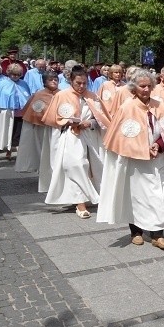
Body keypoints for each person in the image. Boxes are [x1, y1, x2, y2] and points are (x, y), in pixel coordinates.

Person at [97, 69, 164, 250]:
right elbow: (121, 136)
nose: (146, 89)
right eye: (142, 86)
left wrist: (158, 144)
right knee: (137, 196)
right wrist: (142, 148)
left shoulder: (159, 105)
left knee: (159, 195)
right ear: (134, 88)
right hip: (136, 161)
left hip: (158, 159)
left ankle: (158, 234)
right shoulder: (127, 107)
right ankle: (136, 231)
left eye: (149, 86)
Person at [42, 66, 110, 219]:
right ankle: (80, 203)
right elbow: (52, 118)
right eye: (78, 83)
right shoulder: (62, 95)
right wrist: (67, 121)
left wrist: (90, 123)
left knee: (92, 167)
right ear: (71, 81)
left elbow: (101, 118)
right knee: (76, 165)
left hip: (90, 136)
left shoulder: (92, 96)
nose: (81, 86)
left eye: (84, 83)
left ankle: (90, 195)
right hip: (71, 136)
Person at [15, 70, 59, 173]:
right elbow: (34, 111)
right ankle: (43, 170)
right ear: (44, 82)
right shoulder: (39, 95)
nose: (54, 81)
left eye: (56, 79)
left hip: (58, 127)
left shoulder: (61, 94)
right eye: (50, 79)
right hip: (42, 127)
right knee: (43, 149)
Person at [0, 63, 31, 160]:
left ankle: (20, 152)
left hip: (21, 113)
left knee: (19, 134)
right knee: (9, 133)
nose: (16, 77)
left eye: (18, 74)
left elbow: (27, 96)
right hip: (9, 113)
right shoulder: (3, 83)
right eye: (13, 74)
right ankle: (8, 151)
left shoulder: (23, 83)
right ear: (9, 73)